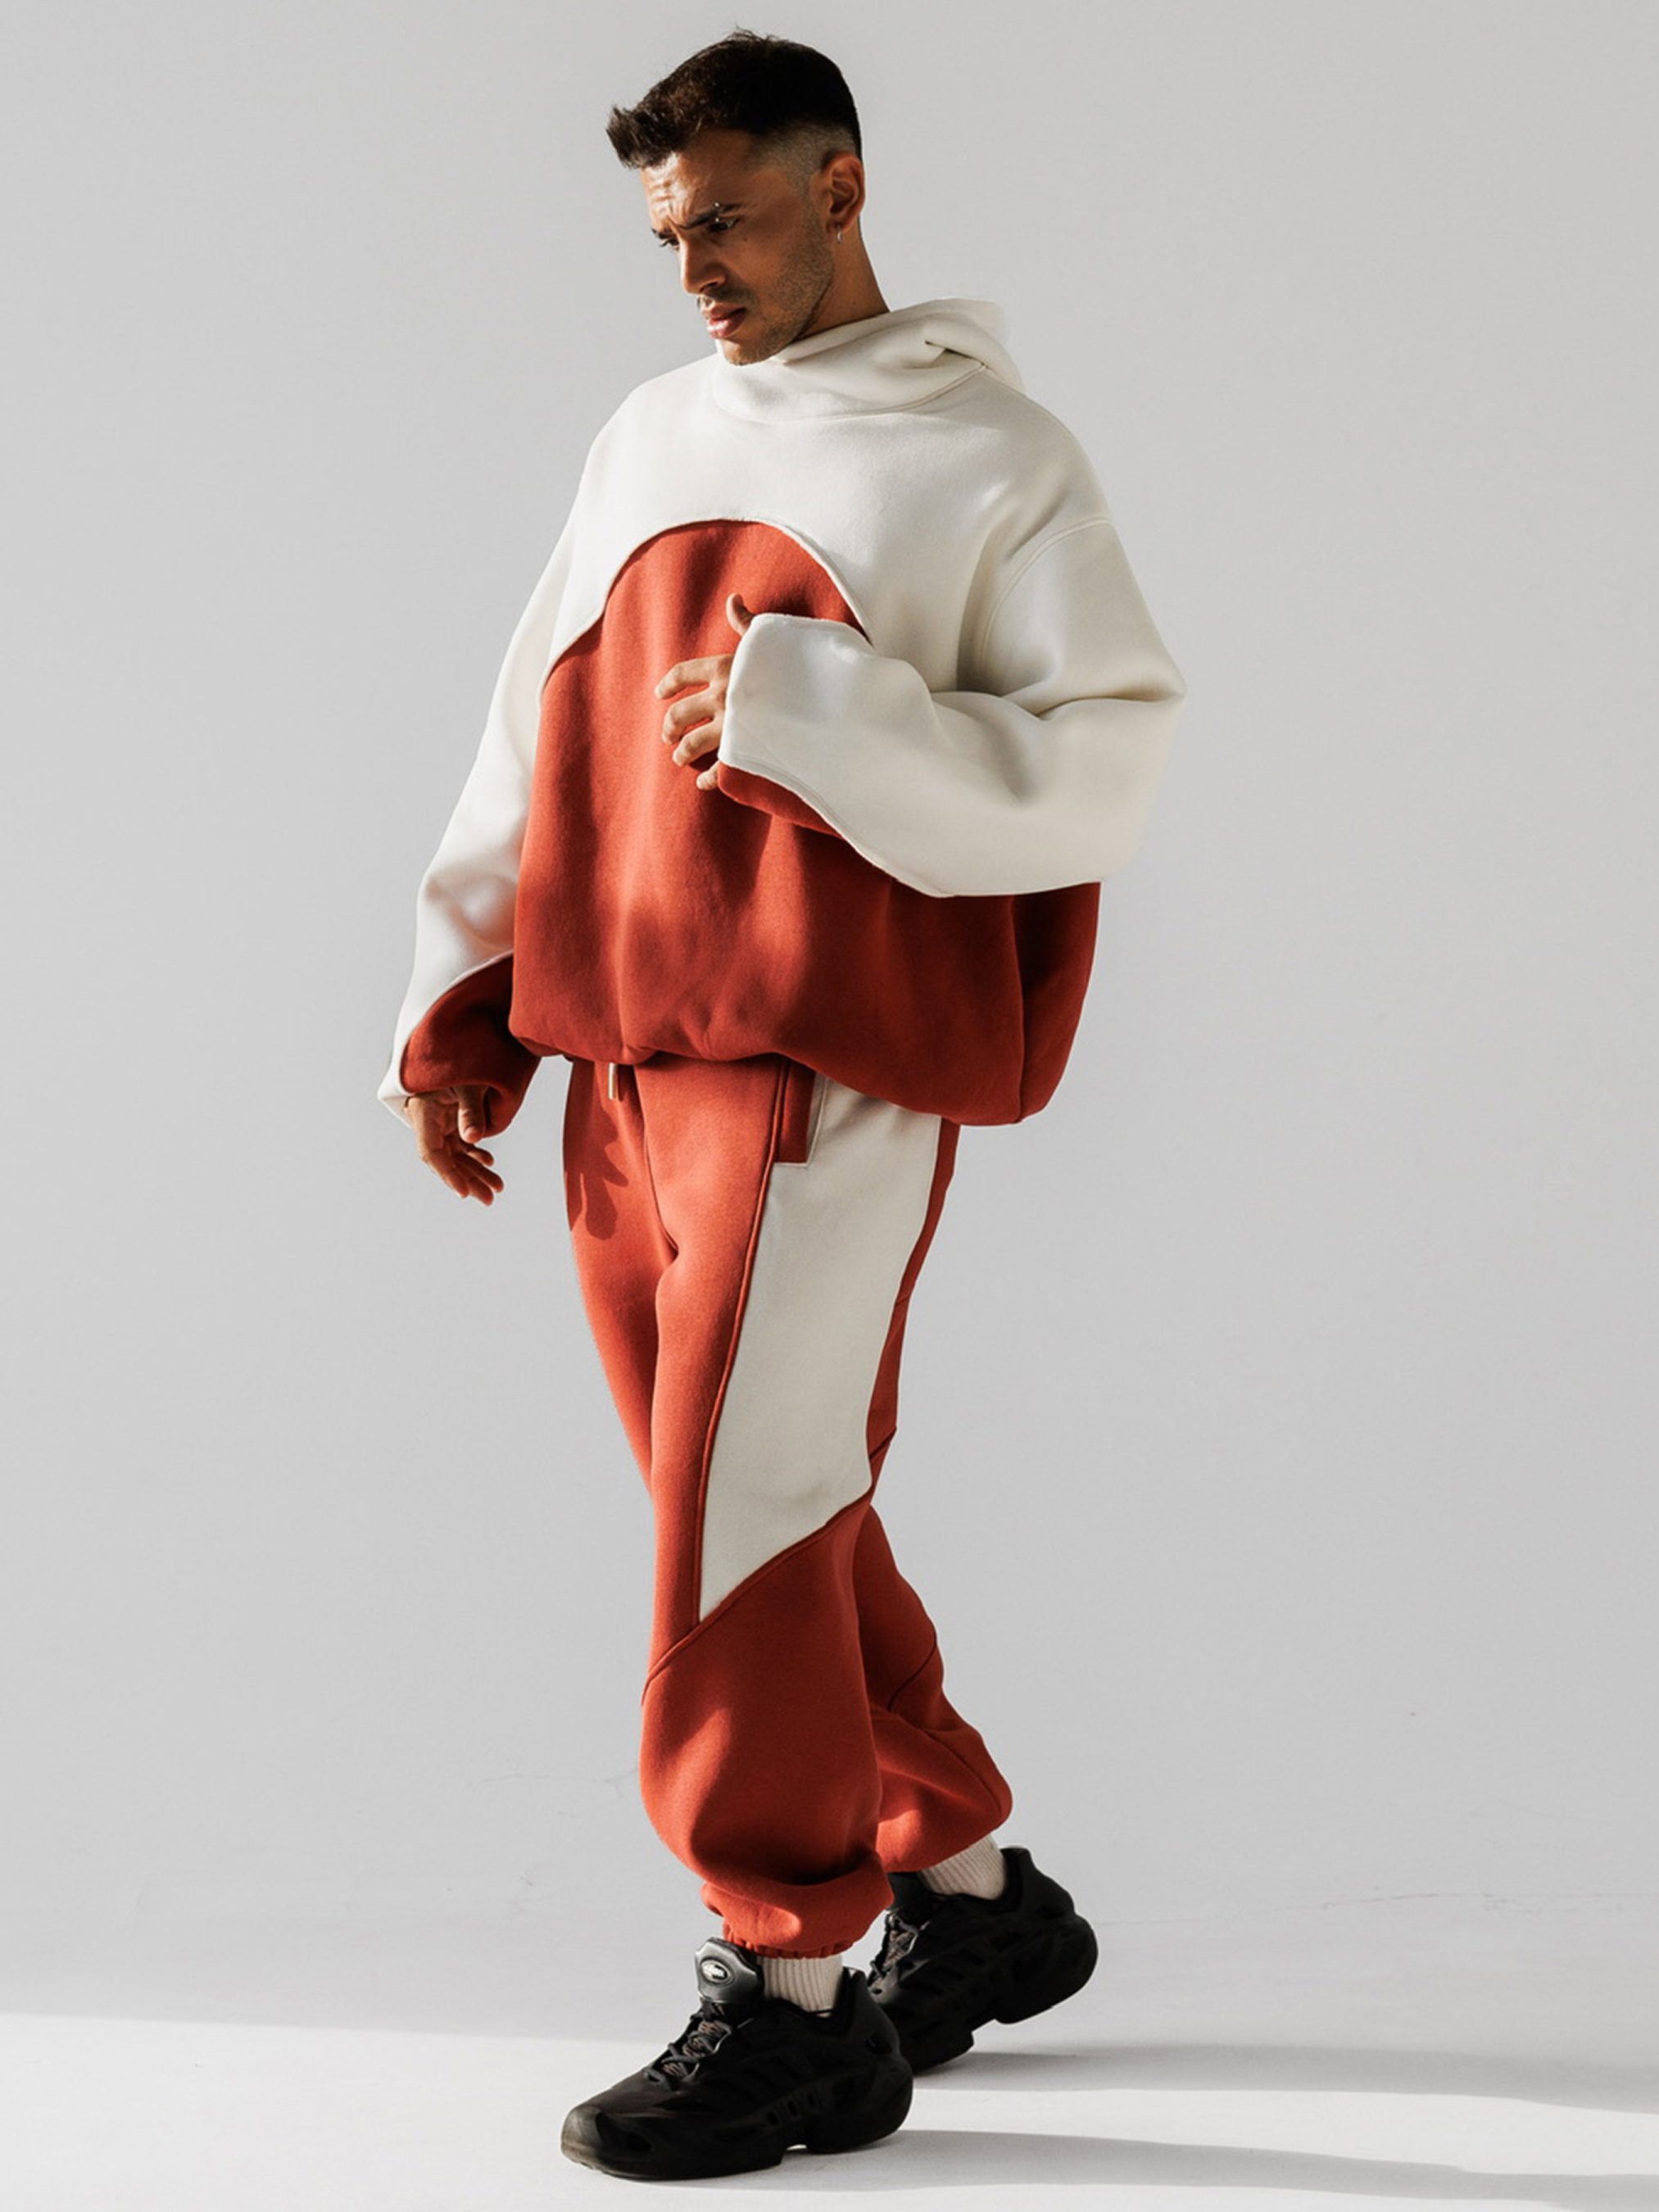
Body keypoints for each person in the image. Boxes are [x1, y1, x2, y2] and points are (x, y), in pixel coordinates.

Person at [379, 28, 1185, 2183]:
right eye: (668, 233)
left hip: (826, 1068)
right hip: (622, 1051)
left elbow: (1105, 755)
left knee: (739, 1511)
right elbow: (534, 719)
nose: (695, 272)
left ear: (842, 189)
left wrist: (816, 715)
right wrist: (460, 994)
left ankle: (794, 1993)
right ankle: (974, 1890)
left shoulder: (989, 456)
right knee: (752, 1498)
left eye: (727, 220)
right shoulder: (651, 432)